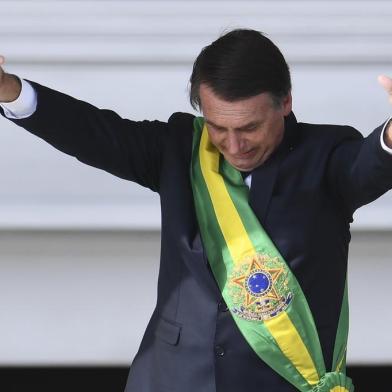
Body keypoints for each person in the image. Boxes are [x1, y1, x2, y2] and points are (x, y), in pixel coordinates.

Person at [1, 29, 392, 392]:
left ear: (286, 102)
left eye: (250, 128)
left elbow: (370, 164)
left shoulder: (326, 156)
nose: (235, 145)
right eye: (219, 127)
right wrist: (10, 91)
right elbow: (93, 132)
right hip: (172, 377)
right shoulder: (180, 150)